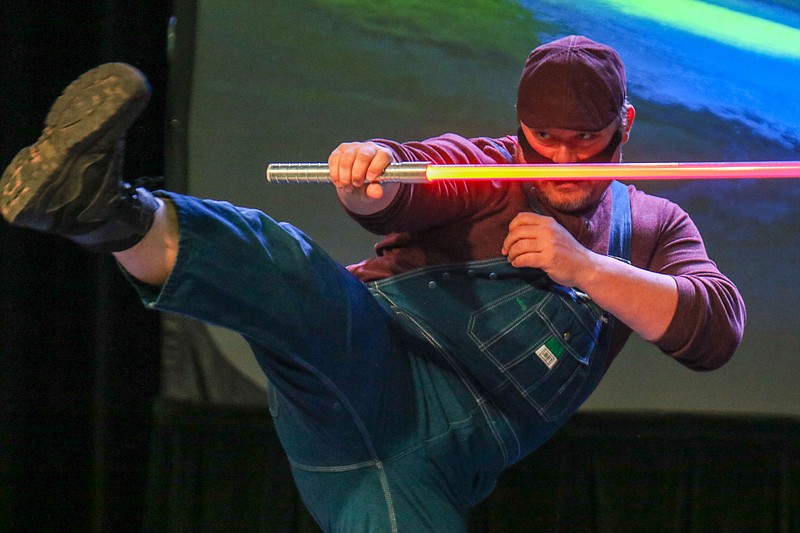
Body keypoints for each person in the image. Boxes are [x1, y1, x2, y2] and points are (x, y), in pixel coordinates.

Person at [0, 36, 745, 532]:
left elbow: (715, 331)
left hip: (439, 467)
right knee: (288, 269)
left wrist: (586, 268)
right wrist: (366, 176)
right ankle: (102, 211)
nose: (558, 159)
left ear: (625, 125)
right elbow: (405, 184)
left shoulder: (655, 227)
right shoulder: (488, 164)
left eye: (583, 143)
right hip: (375, 365)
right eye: (541, 139)